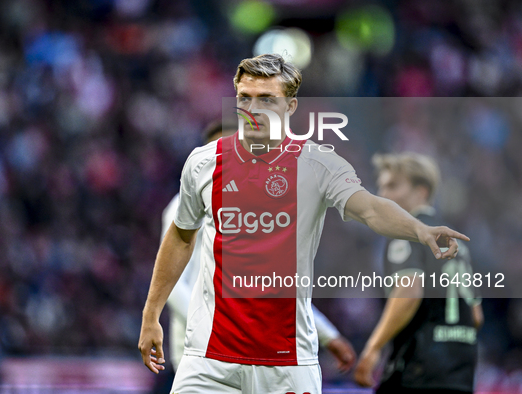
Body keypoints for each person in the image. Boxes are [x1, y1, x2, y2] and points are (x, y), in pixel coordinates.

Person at [138, 53, 468, 393]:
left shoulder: (317, 164)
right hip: (210, 360)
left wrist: (418, 229)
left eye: (267, 99)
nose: (254, 108)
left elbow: (369, 208)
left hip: (287, 362)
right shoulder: (203, 163)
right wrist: (151, 315)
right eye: (245, 98)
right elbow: (180, 238)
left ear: (290, 106)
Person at [163, 121, 356, 374]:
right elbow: (171, 282)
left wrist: (327, 335)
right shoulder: (184, 205)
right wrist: (210, 326)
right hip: (202, 351)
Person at [354, 152, 484, 393]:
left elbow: (409, 291)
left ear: (421, 192)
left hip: (417, 369)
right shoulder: (458, 245)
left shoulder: (409, 235)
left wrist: (373, 347)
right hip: (460, 373)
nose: (383, 194)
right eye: (381, 186)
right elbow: (476, 316)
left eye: (392, 185)